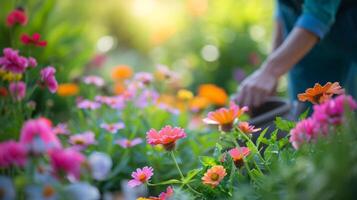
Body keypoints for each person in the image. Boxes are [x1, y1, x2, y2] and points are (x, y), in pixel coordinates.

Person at [235, 0, 357, 110]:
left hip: (348, 30)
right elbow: (283, 8)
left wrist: (270, 71)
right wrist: (272, 71)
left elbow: (318, 14)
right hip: (302, 46)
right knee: (306, 122)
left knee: (350, 117)